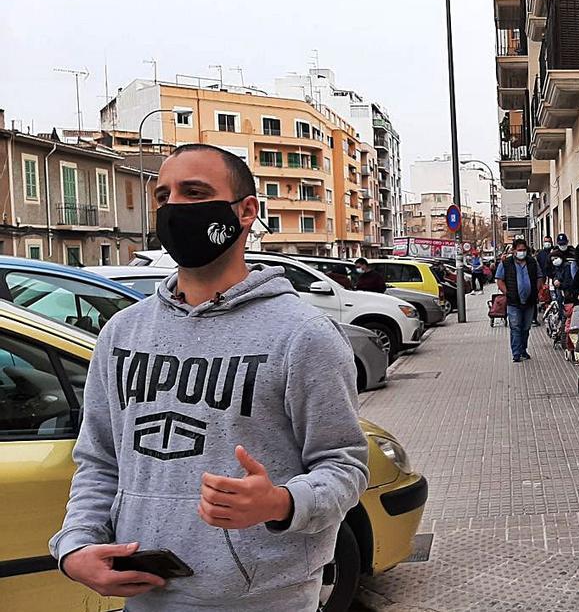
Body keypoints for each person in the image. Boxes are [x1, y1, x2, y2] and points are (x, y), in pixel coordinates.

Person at [50, 143, 368, 610]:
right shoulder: (122, 333)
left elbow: (345, 466)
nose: (175, 208)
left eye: (195, 192)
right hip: (146, 591)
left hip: (265, 598)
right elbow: (99, 461)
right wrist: (74, 545)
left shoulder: (304, 336)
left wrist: (282, 502)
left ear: (245, 212)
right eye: (163, 196)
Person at [495, 237, 544, 363]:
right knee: (516, 326)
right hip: (513, 302)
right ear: (514, 251)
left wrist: (536, 290)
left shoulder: (532, 262)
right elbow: (499, 280)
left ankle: (523, 350)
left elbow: (539, 276)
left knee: (526, 327)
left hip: (529, 301)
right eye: (519, 250)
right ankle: (516, 353)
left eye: (524, 250)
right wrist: (507, 292)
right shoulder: (506, 263)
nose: (522, 252)